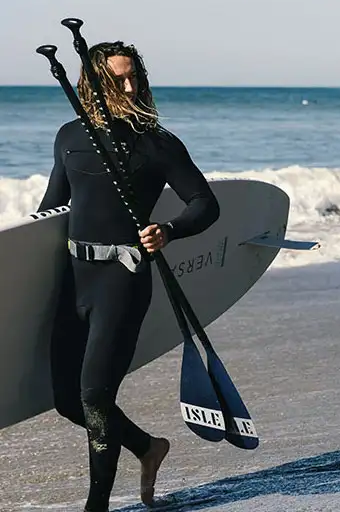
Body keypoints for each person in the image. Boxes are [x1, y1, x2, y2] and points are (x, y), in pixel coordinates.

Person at [37, 41, 220, 512]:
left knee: (95, 395)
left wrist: (170, 230)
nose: (130, 86)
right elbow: (52, 209)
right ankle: (147, 446)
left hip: (123, 278)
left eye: (134, 76)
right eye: (118, 78)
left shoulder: (157, 142)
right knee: (67, 401)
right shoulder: (69, 136)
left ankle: (97, 506)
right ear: (90, 83)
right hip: (74, 277)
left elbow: (205, 204)